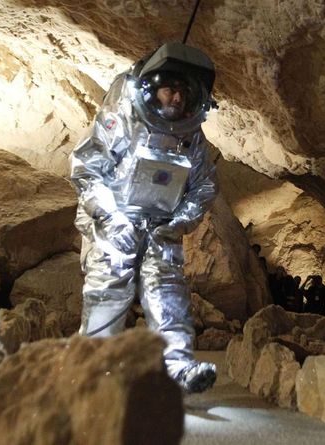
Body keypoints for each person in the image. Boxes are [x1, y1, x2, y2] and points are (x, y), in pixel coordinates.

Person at [69, 42, 218, 393]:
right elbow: (86, 169)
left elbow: (204, 186)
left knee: (167, 291)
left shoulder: (192, 138)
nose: (178, 99)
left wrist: (179, 222)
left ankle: (178, 367)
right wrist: (110, 216)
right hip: (114, 217)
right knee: (110, 283)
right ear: (152, 87)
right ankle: (92, 370)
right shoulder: (120, 119)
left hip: (161, 224)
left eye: (184, 92)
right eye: (171, 89)